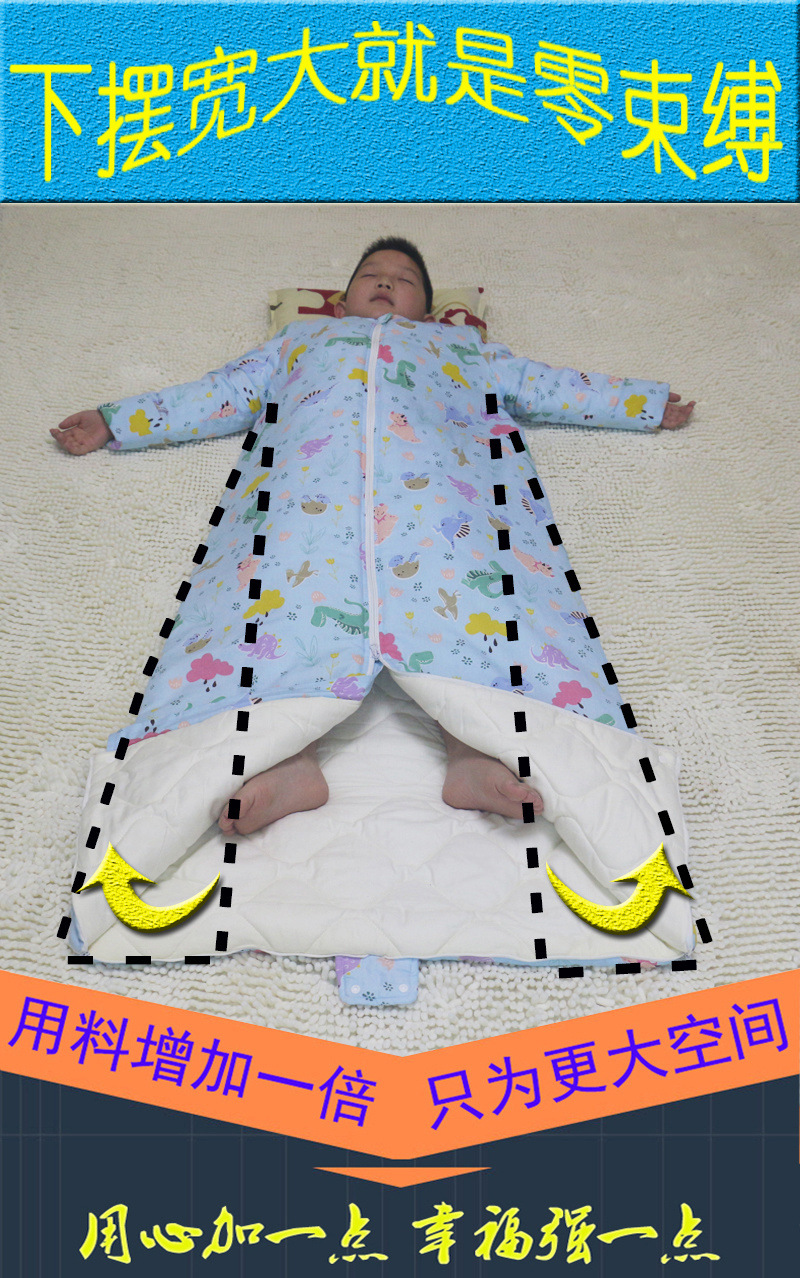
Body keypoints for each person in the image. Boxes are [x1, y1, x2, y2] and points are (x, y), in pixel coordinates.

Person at [51, 237, 695, 838]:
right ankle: (288, 760)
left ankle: (472, 754)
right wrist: (116, 422)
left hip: (437, 493)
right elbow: (219, 392)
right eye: (372, 276)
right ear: (342, 300)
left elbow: (549, 385)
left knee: (472, 615)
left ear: (430, 309)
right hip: (312, 496)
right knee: (281, 614)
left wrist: (642, 404)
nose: (387, 283)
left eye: (405, 280)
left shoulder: (464, 349)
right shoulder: (300, 341)